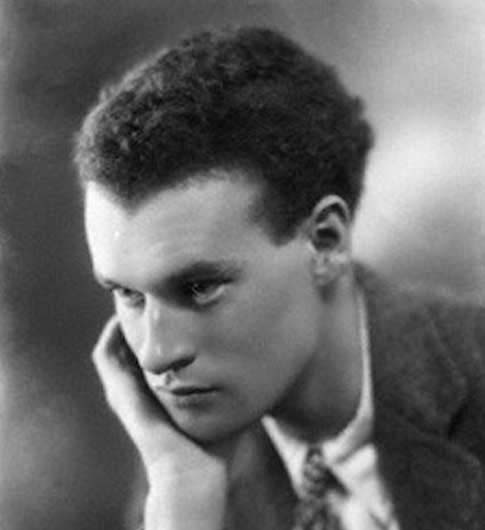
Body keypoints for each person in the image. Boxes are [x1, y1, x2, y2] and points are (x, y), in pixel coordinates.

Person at [74, 26, 485, 530]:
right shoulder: (183, 466)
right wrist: (181, 494)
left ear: (326, 243)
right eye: (128, 294)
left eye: (200, 288)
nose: (156, 355)